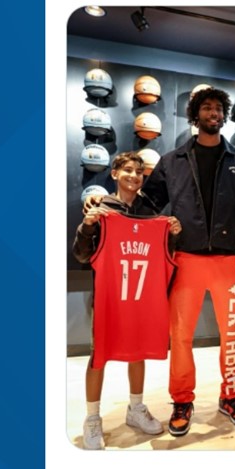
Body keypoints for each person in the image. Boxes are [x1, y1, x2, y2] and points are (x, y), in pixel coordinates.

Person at [140, 87, 235, 435]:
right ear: (196, 115)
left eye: (219, 108)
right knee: (180, 337)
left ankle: (231, 397)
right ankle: (181, 399)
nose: (213, 113)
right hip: (186, 260)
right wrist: (110, 209)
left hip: (230, 262)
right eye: (206, 107)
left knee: (233, 336)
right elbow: (146, 205)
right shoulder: (172, 161)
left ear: (225, 115)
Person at [72, 151, 182, 449]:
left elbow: (165, 255)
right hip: (109, 297)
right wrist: (89, 225)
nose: (134, 176)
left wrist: (171, 233)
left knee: (138, 352)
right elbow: (82, 254)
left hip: (141, 297)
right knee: (99, 355)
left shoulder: (150, 210)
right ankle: (92, 418)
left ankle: (135, 408)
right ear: (115, 173)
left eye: (139, 172)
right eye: (128, 170)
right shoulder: (101, 207)